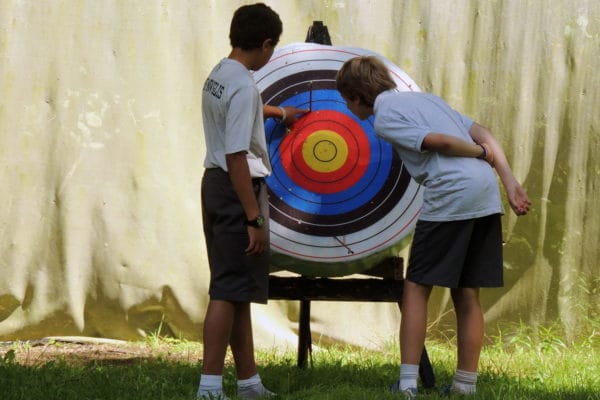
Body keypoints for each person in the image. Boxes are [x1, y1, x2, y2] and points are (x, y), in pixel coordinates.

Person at [336, 56, 531, 398]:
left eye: (344, 100)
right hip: (484, 193)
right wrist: (509, 180)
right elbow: (482, 129)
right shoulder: (425, 99)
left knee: (416, 286)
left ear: (354, 96)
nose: (347, 106)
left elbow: (439, 142)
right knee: (468, 291)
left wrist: (479, 153)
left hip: (452, 193)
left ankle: (408, 384)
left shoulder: (384, 117)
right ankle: (464, 386)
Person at [197, 4, 288, 399]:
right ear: (266, 44)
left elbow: (238, 112)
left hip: (216, 185)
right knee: (226, 291)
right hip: (237, 190)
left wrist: (279, 111)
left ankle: (249, 383)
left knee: (237, 290)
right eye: (273, 49)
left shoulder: (221, 73)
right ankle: (210, 387)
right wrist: (254, 217)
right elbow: (237, 155)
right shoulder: (243, 85)